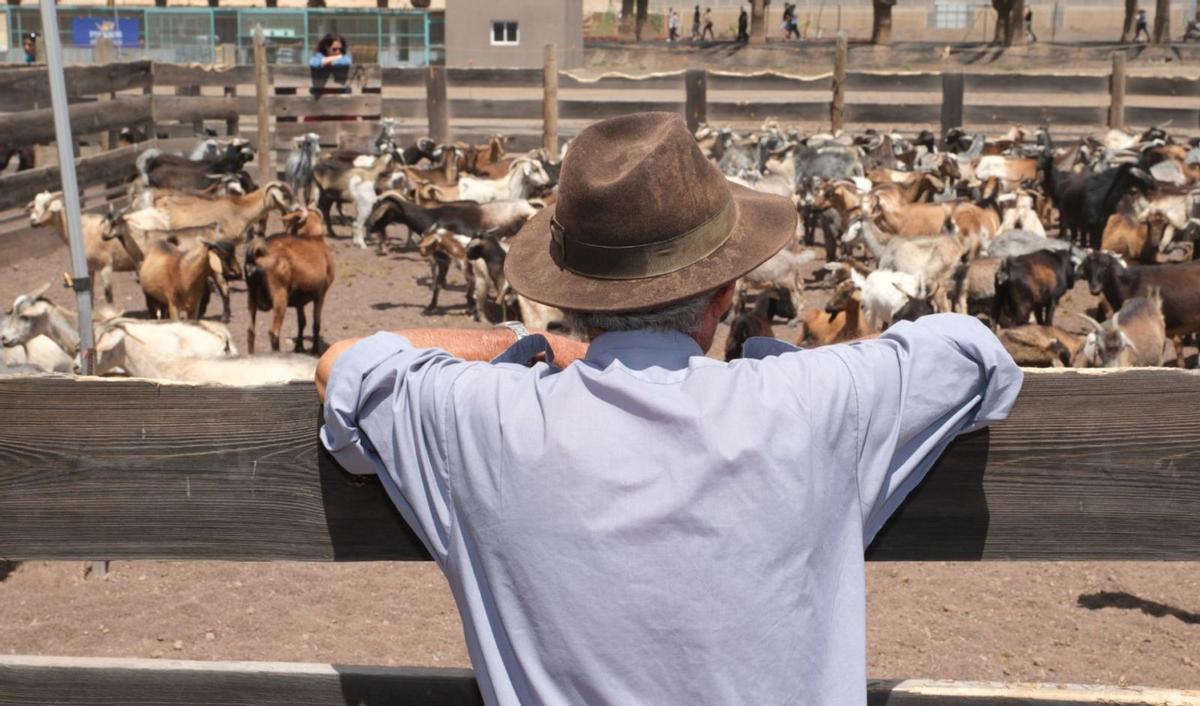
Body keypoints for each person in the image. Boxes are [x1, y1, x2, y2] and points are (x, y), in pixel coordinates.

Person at [316, 112, 1023, 706]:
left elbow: (344, 364)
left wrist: (525, 344)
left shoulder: (480, 419)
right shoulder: (814, 402)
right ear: (725, 294)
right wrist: (791, 363)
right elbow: (972, 354)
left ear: (570, 295)